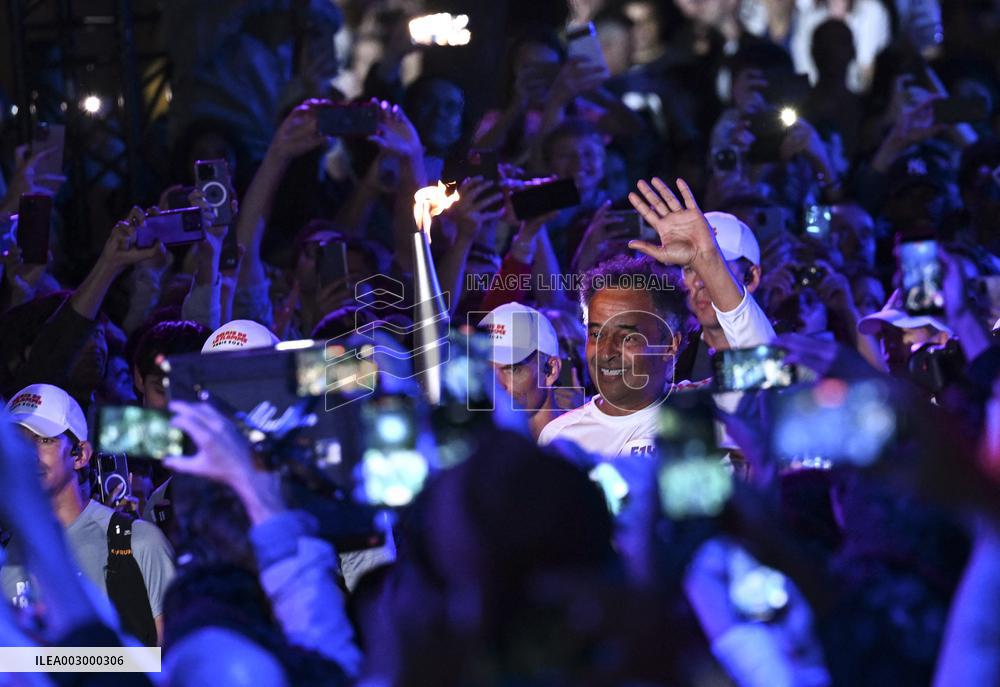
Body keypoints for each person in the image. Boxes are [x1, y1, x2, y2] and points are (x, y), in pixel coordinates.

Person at [1, 383, 175, 644]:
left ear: (80, 454)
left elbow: (175, 661)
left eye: (44, 440)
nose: (29, 454)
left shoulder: (138, 543)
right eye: (19, 441)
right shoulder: (5, 556)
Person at [674, 211, 764, 382]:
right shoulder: (673, 355)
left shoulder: (784, 347)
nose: (700, 282)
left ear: (752, 277)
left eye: (716, 268)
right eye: (690, 268)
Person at [479, 302, 565, 440]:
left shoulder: (586, 448)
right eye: (486, 370)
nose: (497, 385)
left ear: (551, 371)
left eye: (512, 369)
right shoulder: (468, 450)